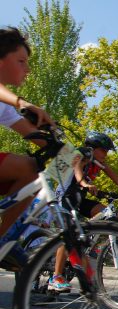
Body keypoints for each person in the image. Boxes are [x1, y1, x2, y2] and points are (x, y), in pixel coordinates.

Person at [48, 131, 118, 292]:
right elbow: (77, 167)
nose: (106, 154)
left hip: (80, 199)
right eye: (104, 150)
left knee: (107, 214)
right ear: (93, 148)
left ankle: (88, 246)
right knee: (69, 234)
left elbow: (117, 178)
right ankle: (56, 276)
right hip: (66, 196)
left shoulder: (99, 163)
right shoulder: (82, 154)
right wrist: (84, 183)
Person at [0, 26, 53, 271]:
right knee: (27, 168)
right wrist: (21, 101)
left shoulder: (5, 106)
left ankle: (4, 242)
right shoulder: (7, 98)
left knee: (32, 170)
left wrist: (73, 155)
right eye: (21, 61)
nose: (27, 69)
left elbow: (32, 134)